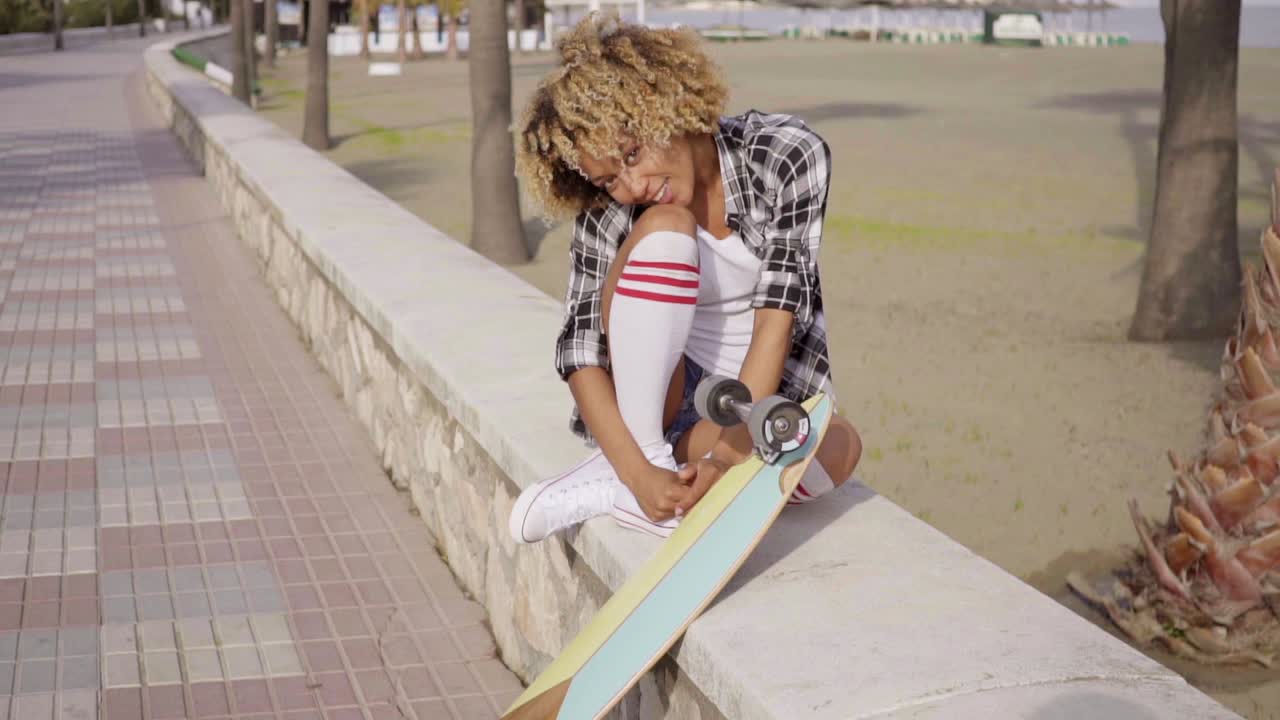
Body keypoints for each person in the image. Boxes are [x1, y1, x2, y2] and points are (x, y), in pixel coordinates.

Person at [508, 12, 862, 544]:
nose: (631, 186)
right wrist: (637, 469)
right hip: (659, 404)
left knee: (840, 449)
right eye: (609, 179)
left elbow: (777, 319)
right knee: (667, 226)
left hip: (738, 404)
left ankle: (666, 472)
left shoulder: (785, 156)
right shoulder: (612, 212)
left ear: (666, 107)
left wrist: (725, 454)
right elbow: (578, 351)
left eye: (632, 154)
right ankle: (637, 471)